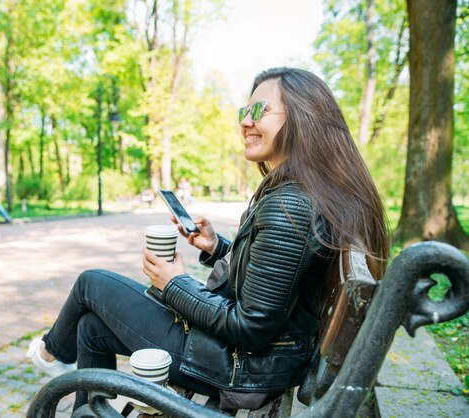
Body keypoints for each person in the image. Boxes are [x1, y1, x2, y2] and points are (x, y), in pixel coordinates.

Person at [26, 67, 390, 411]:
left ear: (303, 118)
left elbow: (250, 327)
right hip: (257, 361)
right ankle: (75, 390)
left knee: (92, 283)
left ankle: (51, 352)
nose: (246, 121)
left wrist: (174, 283)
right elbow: (276, 283)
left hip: (242, 369)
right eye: (244, 111)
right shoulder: (302, 193)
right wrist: (216, 248)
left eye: (260, 110)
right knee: (91, 328)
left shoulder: (290, 204)